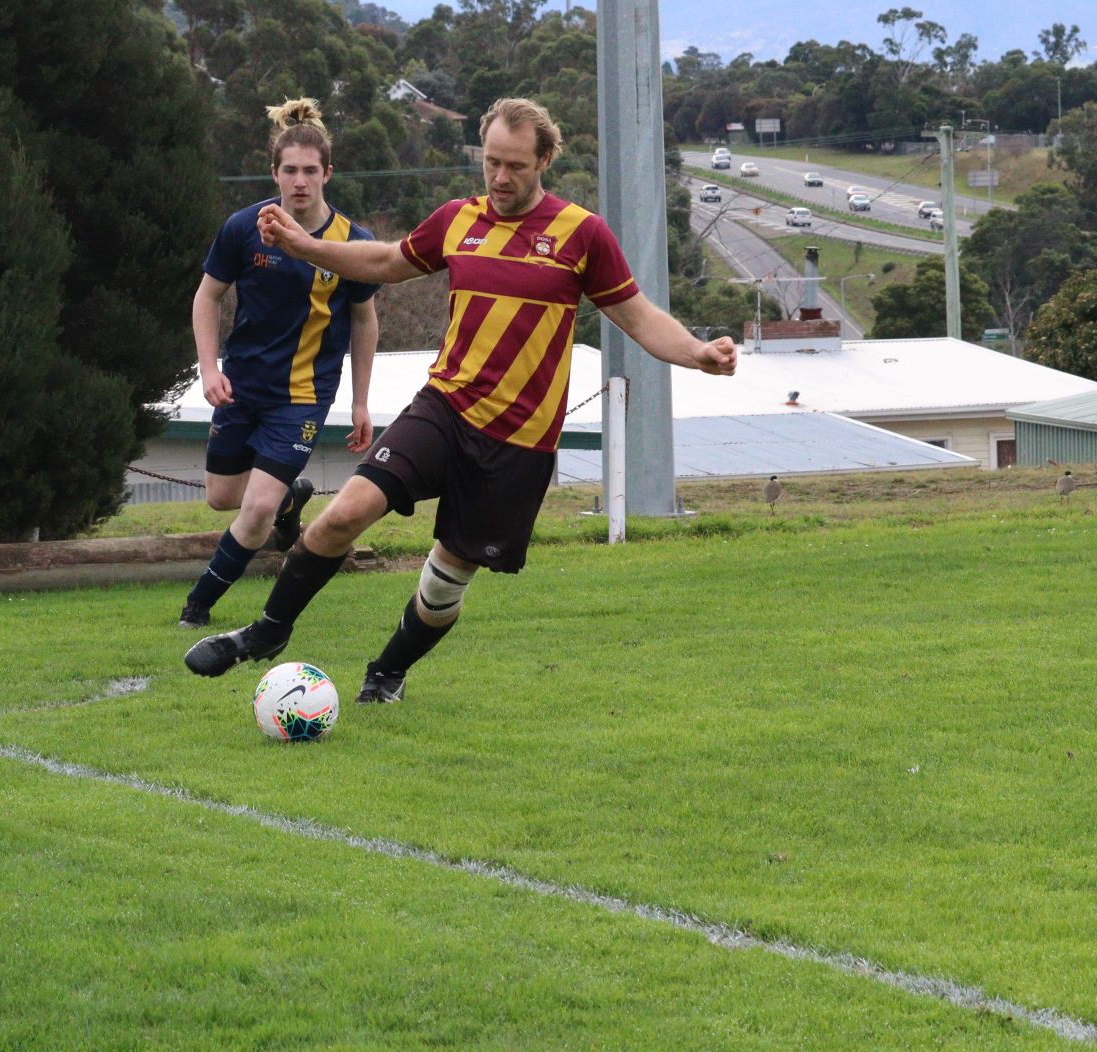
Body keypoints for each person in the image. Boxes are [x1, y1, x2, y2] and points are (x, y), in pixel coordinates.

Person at [184, 95, 738, 699]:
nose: (500, 178)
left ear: (545, 160)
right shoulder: (458, 219)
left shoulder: (582, 235)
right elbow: (386, 260)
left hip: (518, 442)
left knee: (444, 582)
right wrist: (306, 247)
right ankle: (268, 631)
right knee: (342, 514)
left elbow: (638, 316)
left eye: (515, 166)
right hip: (444, 407)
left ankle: (387, 672)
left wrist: (697, 353)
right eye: (492, 162)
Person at [177, 97, 380, 627]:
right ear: (274, 173)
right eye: (290, 170)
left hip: (304, 396)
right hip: (241, 386)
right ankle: (291, 498)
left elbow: (364, 321)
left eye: (310, 171)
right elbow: (206, 297)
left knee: (256, 509)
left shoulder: (352, 243)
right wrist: (209, 369)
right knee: (223, 497)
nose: (300, 181)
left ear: (328, 174)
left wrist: (360, 401)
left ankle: (198, 606)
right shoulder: (245, 227)